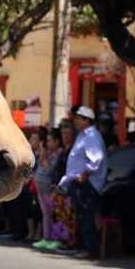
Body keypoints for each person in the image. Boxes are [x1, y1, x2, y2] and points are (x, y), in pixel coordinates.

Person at [57, 107, 108, 259]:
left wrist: (84, 175)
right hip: (78, 183)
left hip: (87, 184)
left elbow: (96, 159)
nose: (76, 121)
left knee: (86, 216)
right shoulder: (82, 136)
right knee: (80, 215)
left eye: (79, 118)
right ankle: (80, 246)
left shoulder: (91, 136)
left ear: (87, 120)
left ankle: (90, 249)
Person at [33, 129, 63, 251]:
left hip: (50, 187)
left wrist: (44, 158)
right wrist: (43, 154)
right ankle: (46, 238)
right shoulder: (49, 152)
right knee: (46, 214)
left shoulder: (58, 153)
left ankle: (56, 239)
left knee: (55, 214)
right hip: (41, 186)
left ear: (57, 141)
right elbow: (40, 163)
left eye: (50, 141)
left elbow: (50, 169)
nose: (48, 143)